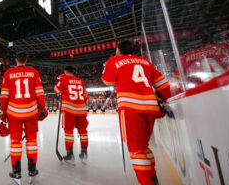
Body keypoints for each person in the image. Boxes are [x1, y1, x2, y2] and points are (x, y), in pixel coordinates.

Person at [102, 41, 171, 185]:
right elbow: (163, 84)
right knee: (144, 146)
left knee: (136, 150)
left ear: (119, 50)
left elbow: (106, 80)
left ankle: (147, 182)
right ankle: (153, 177)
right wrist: (165, 100)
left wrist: (109, 62)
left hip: (130, 109)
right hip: (151, 108)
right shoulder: (145, 61)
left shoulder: (115, 61)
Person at [0, 52, 47, 182]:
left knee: (15, 142)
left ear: (16, 60)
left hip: (14, 113)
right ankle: (32, 169)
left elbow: (4, 95)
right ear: (26, 60)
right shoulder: (34, 72)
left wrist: (3, 111)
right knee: (31, 141)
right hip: (31, 112)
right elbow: (39, 91)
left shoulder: (8, 73)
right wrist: (41, 107)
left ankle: (16, 171)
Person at [54, 66, 89, 163]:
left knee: (68, 132)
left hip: (69, 110)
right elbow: (85, 96)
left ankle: (70, 154)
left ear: (65, 72)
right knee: (83, 131)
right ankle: (84, 151)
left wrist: (61, 79)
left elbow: (56, 90)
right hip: (81, 109)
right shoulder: (80, 80)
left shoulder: (64, 79)